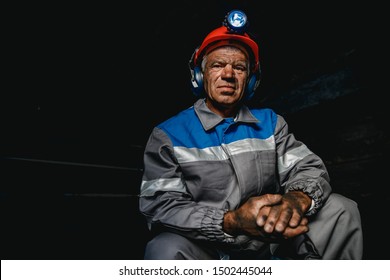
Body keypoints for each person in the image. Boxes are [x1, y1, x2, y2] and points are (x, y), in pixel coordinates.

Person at [139, 10, 363, 260]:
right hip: (209, 248)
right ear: (200, 76)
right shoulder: (168, 135)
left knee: (342, 209)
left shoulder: (270, 123)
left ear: (251, 79)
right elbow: (162, 205)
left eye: (239, 67)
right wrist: (231, 221)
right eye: (217, 65)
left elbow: (309, 168)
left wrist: (295, 200)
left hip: (273, 243)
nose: (228, 74)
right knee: (164, 249)